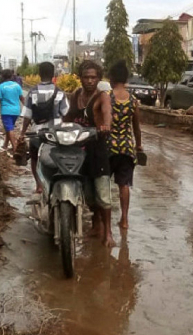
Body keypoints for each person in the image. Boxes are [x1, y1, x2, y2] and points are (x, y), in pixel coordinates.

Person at [63, 60, 115, 247]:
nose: (90, 81)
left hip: (97, 149)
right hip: (78, 150)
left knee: (102, 193)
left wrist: (105, 126)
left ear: (99, 78)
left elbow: (107, 113)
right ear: (80, 78)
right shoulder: (76, 95)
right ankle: (95, 223)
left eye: (94, 77)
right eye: (86, 77)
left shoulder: (103, 97)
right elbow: (68, 116)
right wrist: (59, 126)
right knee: (88, 193)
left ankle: (108, 232)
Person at [19, 62, 70, 193]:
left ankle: (39, 185)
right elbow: (66, 113)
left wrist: (22, 133)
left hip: (37, 133)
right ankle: (57, 182)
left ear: (39, 74)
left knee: (34, 157)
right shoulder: (60, 93)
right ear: (53, 75)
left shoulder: (32, 92)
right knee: (58, 155)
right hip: (56, 133)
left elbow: (27, 116)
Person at [106, 61, 142, 230]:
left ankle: (102, 222)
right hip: (127, 147)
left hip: (109, 147)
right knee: (124, 184)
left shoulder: (107, 98)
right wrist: (139, 146)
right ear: (126, 78)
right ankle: (125, 219)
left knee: (103, 183)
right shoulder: (133, 100)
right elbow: (136, 127)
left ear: (111, 78)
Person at [0, 69, 24, 152]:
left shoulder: (1, 86)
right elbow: (22, 98)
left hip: (6, 111)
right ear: (11, 76)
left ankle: (15, 149)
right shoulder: (17, 86)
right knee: (9, 128)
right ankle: (5, 145)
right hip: (16, 111)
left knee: (9, 129)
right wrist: (26, 108)